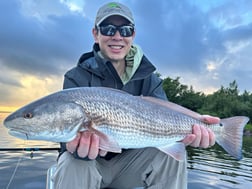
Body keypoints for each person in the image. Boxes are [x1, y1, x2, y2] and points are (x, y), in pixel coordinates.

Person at [52, 2, 219, 189]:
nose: (117, 36)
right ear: (95, 33)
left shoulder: (149, 79)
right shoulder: (76, 77)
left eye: (125, 30)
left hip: (130, 167)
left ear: (133, 35)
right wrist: (73, 149)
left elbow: (166, 111)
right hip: (91, 165)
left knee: (172, 156)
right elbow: (65, 135)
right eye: (108, 29)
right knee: (71, 162)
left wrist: (197, 121)